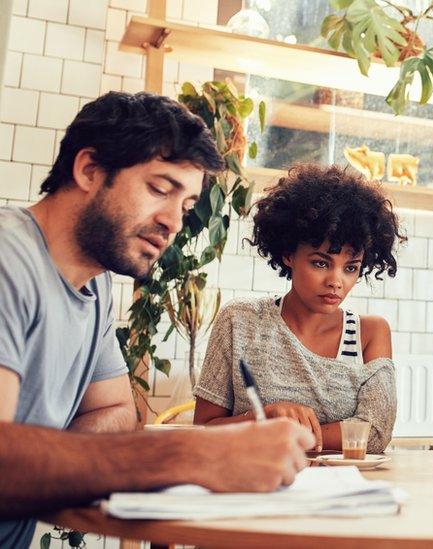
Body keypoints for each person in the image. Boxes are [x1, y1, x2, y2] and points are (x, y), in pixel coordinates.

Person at [0, 92, 313, 549]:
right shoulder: (9, 258)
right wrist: (192, 454)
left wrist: (43, 459)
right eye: (160, 189)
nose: (172, 222)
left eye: (186, 207)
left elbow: (116, 412)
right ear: (89, 170)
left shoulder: (94, 287)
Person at [193, 164, 404, 454]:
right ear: (288, 254)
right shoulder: (239, 320)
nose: (336, 282)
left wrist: (289, 432)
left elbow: (376, 432)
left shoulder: (370, 333)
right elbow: (204, 429)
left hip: (344, 490)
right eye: (321, 263)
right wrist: (263, 418)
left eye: (351, 268)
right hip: (255, 483)